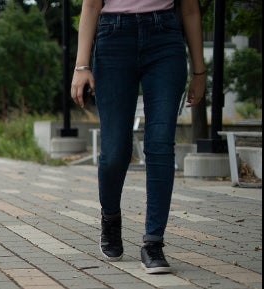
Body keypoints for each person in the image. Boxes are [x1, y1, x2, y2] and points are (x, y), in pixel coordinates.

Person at [71, 0, 205, 274]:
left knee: (160, 142)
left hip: (165, 38)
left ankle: (153, 242)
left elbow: (190, 9)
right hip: (113, 39)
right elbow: (92, 4)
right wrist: (81, 66)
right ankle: (110, 217)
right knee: (115, 151)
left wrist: (200, 72)